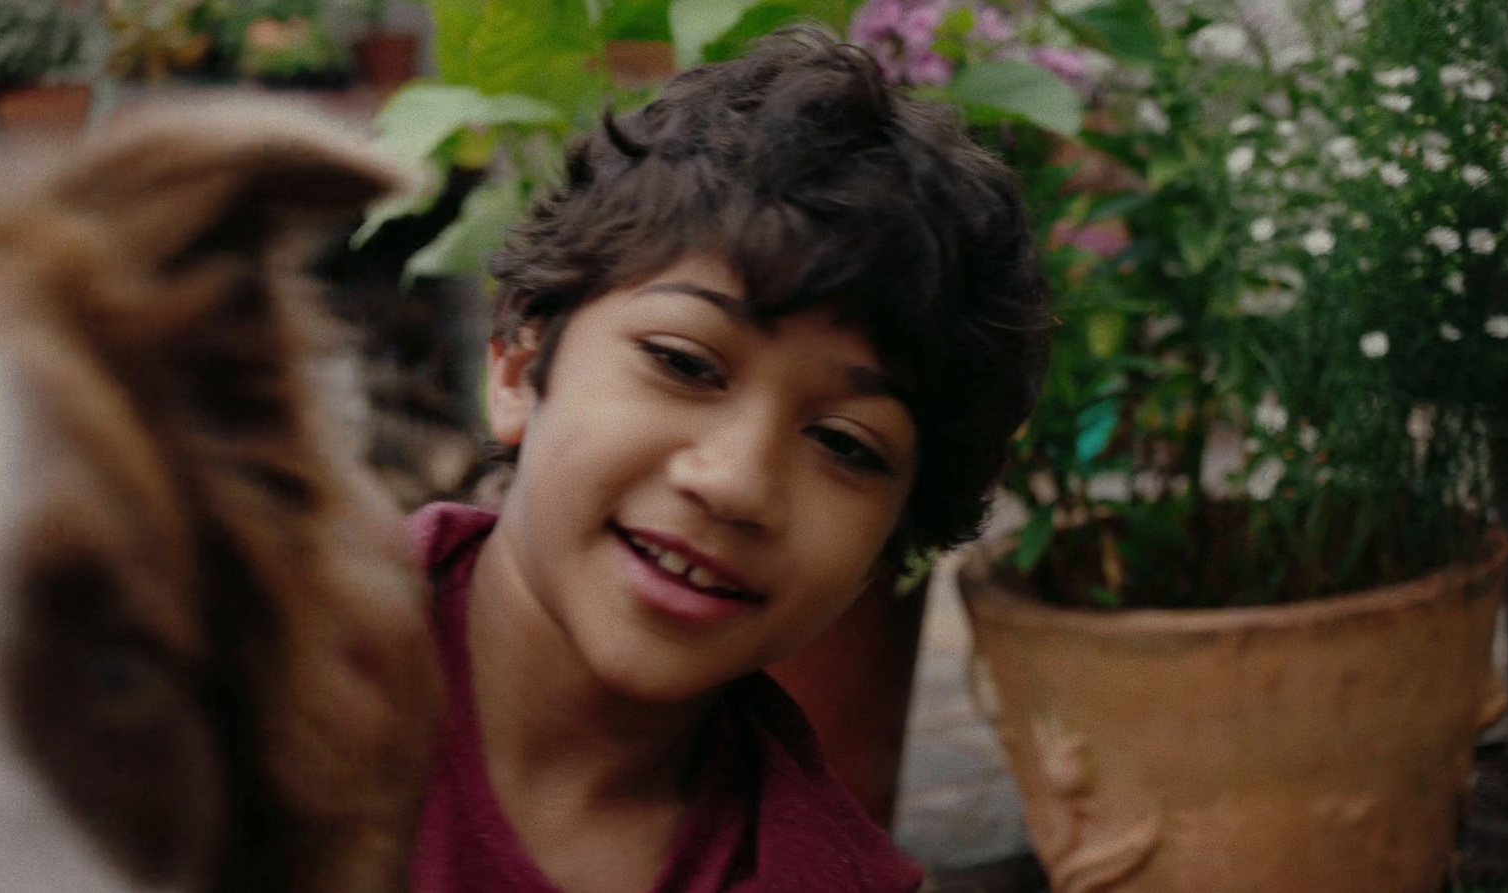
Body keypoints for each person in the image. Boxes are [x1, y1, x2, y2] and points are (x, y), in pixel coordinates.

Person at [407, 26, 1050, 893]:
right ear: (521, 363)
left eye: (845, 444)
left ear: (892, 542)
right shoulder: (244, 668)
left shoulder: (820, 877)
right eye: (684, 362)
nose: (739, 481)